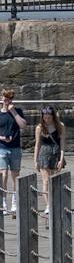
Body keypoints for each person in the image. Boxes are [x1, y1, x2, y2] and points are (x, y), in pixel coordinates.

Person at [34, 106, 65, 215]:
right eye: (45, 117)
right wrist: (35, 160)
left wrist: (61, 159)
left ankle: (54, 202)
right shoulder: (39, 127)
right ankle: (48, 204)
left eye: (49, 117)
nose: (47, 119)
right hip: (44, 154)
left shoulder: (60, 126)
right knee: (46, 181)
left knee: (55, 181)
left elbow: (62, 144)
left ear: (53, 116)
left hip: (55, 153)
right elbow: (37, 145)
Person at [0, 87, 25, 216]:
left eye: (9, 99)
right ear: (1, 99)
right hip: (2, 148)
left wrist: (13, 112)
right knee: (3, 175)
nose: (7, 102)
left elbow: (23, 125)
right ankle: (3, 202)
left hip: (15, 148)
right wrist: (2, 138)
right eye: (5, 99)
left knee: (15, 176)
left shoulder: (18, 111)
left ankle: (15, 202)